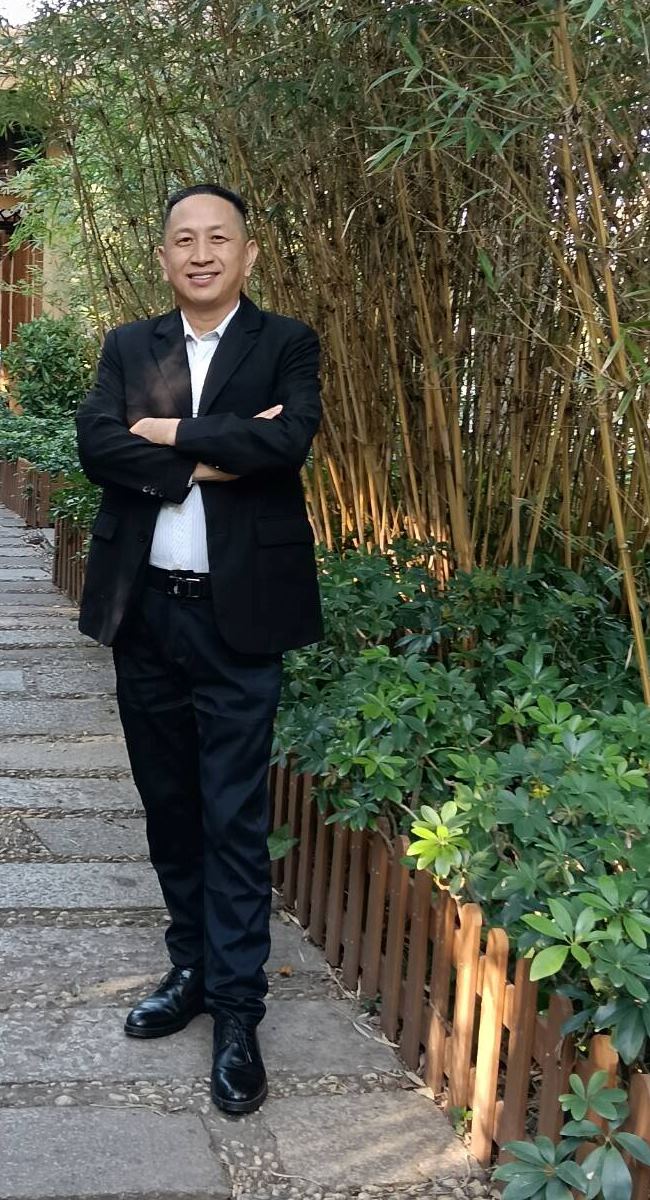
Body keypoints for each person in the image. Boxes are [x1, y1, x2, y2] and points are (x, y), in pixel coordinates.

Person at [75, 183, 323, 1115]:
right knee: (171, 807)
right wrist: (220, 455)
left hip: (239, 618)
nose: (202, 252)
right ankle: (191, 968)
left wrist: (168, 434)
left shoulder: (286, 342)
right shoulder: (128, 346)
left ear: (248, 254)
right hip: (146, 613)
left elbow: (288, 444)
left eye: (220, 238)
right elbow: (98, 446)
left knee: (234, 817)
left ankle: (238, 1011)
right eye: (185, 239)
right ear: (164, 256)